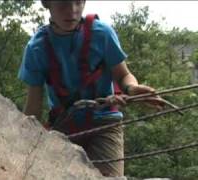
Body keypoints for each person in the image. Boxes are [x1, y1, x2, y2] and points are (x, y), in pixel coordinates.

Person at [18, 0, 164, 177]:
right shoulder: (37, 48)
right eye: (63, 3)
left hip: (104, 123)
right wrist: (22, 142)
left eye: (78, 2)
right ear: (47, 3)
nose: (72, 10)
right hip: (64, 124)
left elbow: (123, 75)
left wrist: (131, 88)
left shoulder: (101, 34)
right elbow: (33, 108)